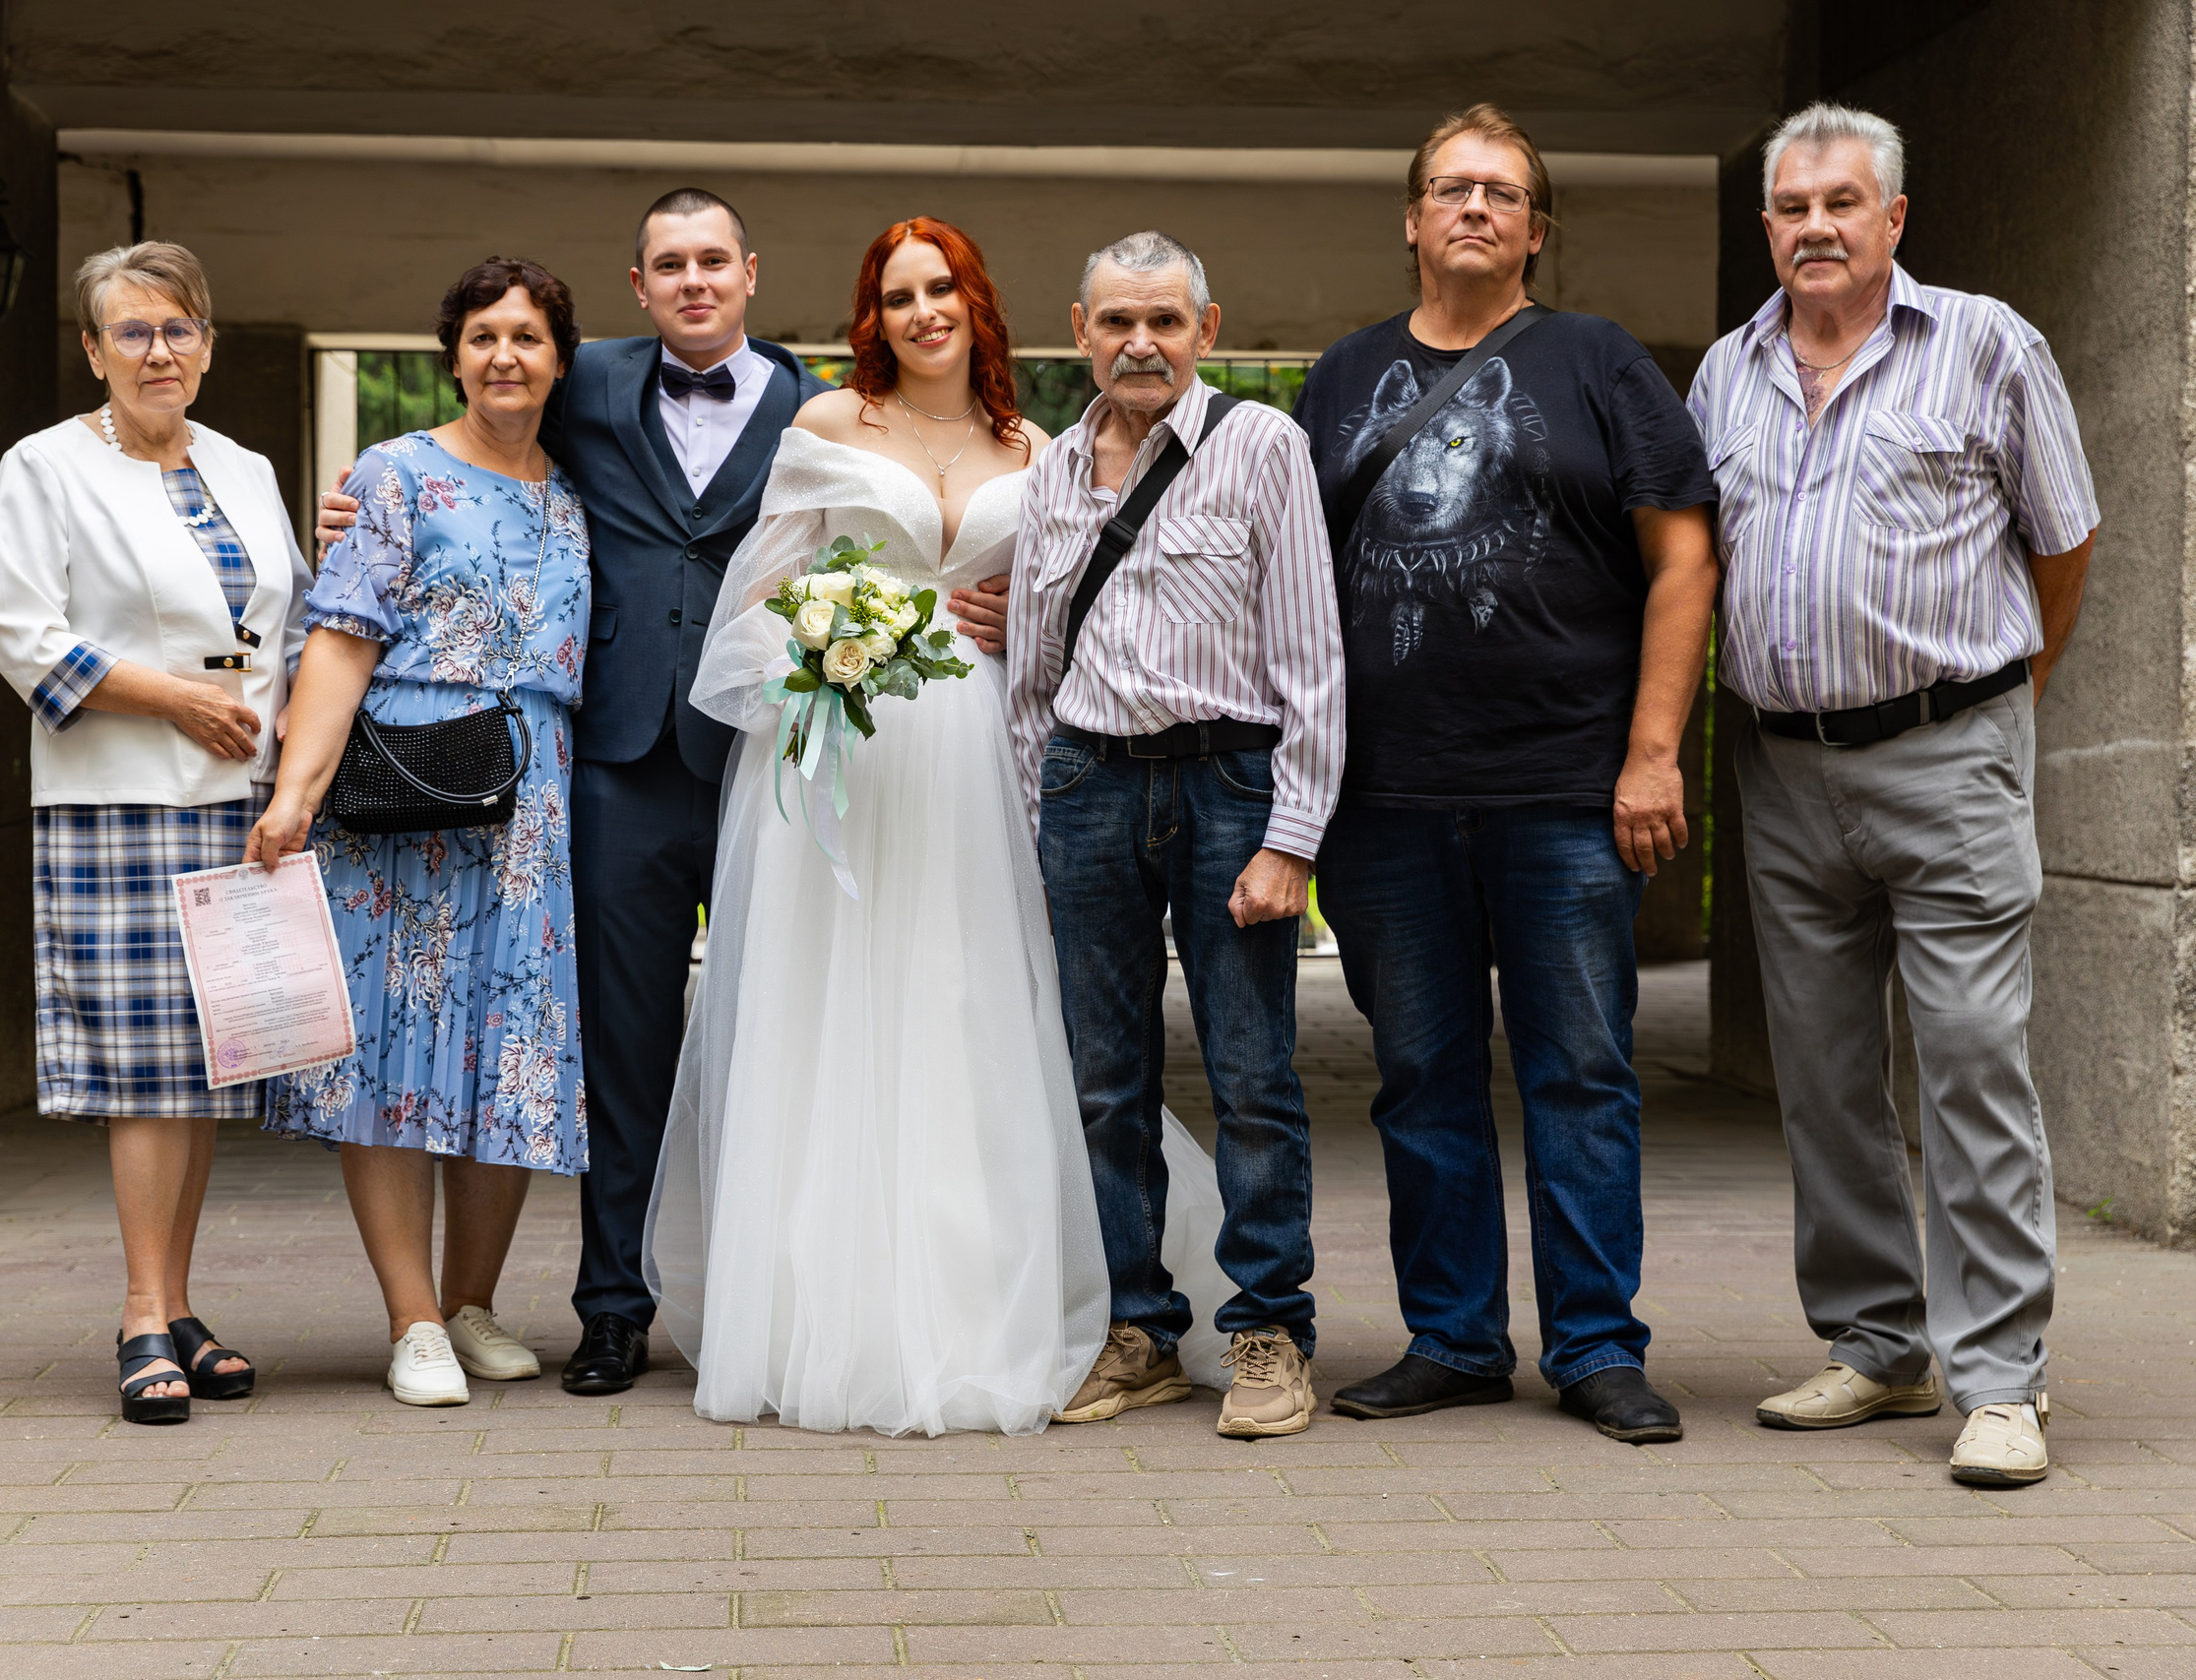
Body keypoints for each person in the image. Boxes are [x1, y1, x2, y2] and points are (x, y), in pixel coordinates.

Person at [315, 190, 1022, 1397]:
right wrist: (363, 493)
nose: (694, 281)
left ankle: (771, 1299)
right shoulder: (582, 378)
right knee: (621, 1048)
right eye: (669, 265)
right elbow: (480, 438)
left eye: (713, 261)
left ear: (750, 274)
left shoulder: (831, 406)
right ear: (639, 287)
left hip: (778, 756)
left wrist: (997, 595)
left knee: (782, 1033)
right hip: (617, 765)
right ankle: (612, 1308)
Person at [649, 217, 1228, 1437]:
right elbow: (753, 605)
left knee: (973, 1006)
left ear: (978, 307)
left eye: (941, 291)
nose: (922, 313)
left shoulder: (1038, 447)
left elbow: (1097, 612)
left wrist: (1027, 624)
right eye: (898, 295)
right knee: (836, 1019)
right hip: (845, 750)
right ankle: (827, 1313)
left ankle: (984, 1301)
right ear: (875, 316)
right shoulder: (827, 425)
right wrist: (826, 644)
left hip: (982, 755)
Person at [1289, 104, 1719, 1444]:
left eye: (1503, 191)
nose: (1475, 206)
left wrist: (1653, 754)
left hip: (1565, 790)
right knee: (1420, 1076)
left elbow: (1684, 560)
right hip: (1385, 797)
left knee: (1579, 1073)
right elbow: (1278, 572)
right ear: (1412, 219)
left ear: (1536, 230)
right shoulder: (1342, 376)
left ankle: (1594, 1345)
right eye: (1451, 187)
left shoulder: (1601, 363)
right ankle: (1455, 1338)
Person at [1688, 102, 2098, 1486]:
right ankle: (1877, 1343)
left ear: (1893, 218)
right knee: (1823, 1075)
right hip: (1782, 765)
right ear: (1767, 226)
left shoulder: (1988, 345)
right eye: (1792, 207)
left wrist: (2001, 707)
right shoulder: (1725, 374)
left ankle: (2002, 1378)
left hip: (1948, 749)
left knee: (1973, 1061)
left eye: (1841, 203)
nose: (1815, 227)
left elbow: (2064, 543)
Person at [1008, 231, 1346, 1441]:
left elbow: (1312, 656)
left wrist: (1292, 838)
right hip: (1089, 786)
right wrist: (1037, 813)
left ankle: (1269, 1331)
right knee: (1105, 1083)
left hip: (1227, 785)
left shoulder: (1261, 446)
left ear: (1207, 328)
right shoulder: (1052, 469)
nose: (1139, 343)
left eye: (1163, 321)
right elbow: (1031, 675)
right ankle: (1139, 1329)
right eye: (1116, 321)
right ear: (1080, 331)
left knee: (1252, 1075)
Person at [250, 258, 592, 1407]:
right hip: (403, 789)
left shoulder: (578, 492)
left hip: (529, 809)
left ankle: (472, 1303)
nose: (505, 356)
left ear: (559, 360)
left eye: (527, 337)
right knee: (391, 1058)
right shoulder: (394, 475)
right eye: (483, 336)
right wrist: (294, 793)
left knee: (509, 1052)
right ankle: (412, 1319)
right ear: (453, 356)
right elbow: (341, 637)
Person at [0, 241, 307, 1423]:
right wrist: (175, 699)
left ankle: (178, 1304)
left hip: (238, 799)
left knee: (208, 1067)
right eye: (132, 331)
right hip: (117, 797)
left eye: (177, 329)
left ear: (206, 344)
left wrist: (288, 748)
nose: (158, 351)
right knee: (143, 1073)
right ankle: (137, 1314)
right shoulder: (46, 466)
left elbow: (288, 619)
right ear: (94, 350)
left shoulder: (246, 467)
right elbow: (21, 634)